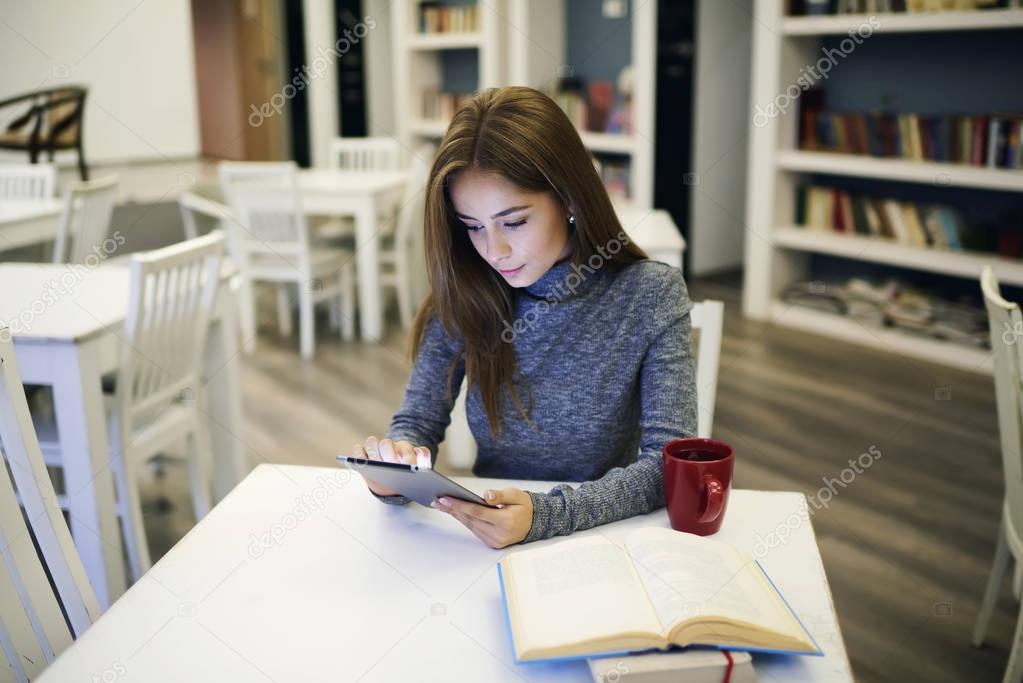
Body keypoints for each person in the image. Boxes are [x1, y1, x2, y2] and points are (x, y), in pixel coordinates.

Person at [351, 86, 696, 548]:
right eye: (473, 227)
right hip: (489, 542)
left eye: (514, 222)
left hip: (607, 538)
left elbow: (666, 464)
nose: (495, 251)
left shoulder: (650, 294)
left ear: (570, 198)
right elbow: (418, 423)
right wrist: (394, 470)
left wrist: (546, 517)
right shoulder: (466, 292)